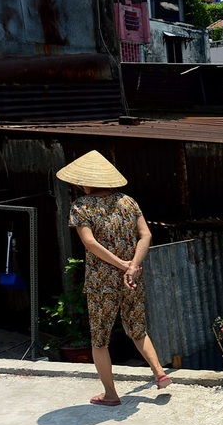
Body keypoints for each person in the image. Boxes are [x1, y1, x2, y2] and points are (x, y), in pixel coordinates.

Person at [56, 150, 171, 406]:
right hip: (132, 278)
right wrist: (132, 267)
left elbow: (89, 243)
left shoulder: (81, 206)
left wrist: (120, 265)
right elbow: (146, 236)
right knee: (138, 329)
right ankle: (159, 372)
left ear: (86, 181)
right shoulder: (128, 202)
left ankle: (110, 394)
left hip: (101, 283)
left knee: (99, 340)